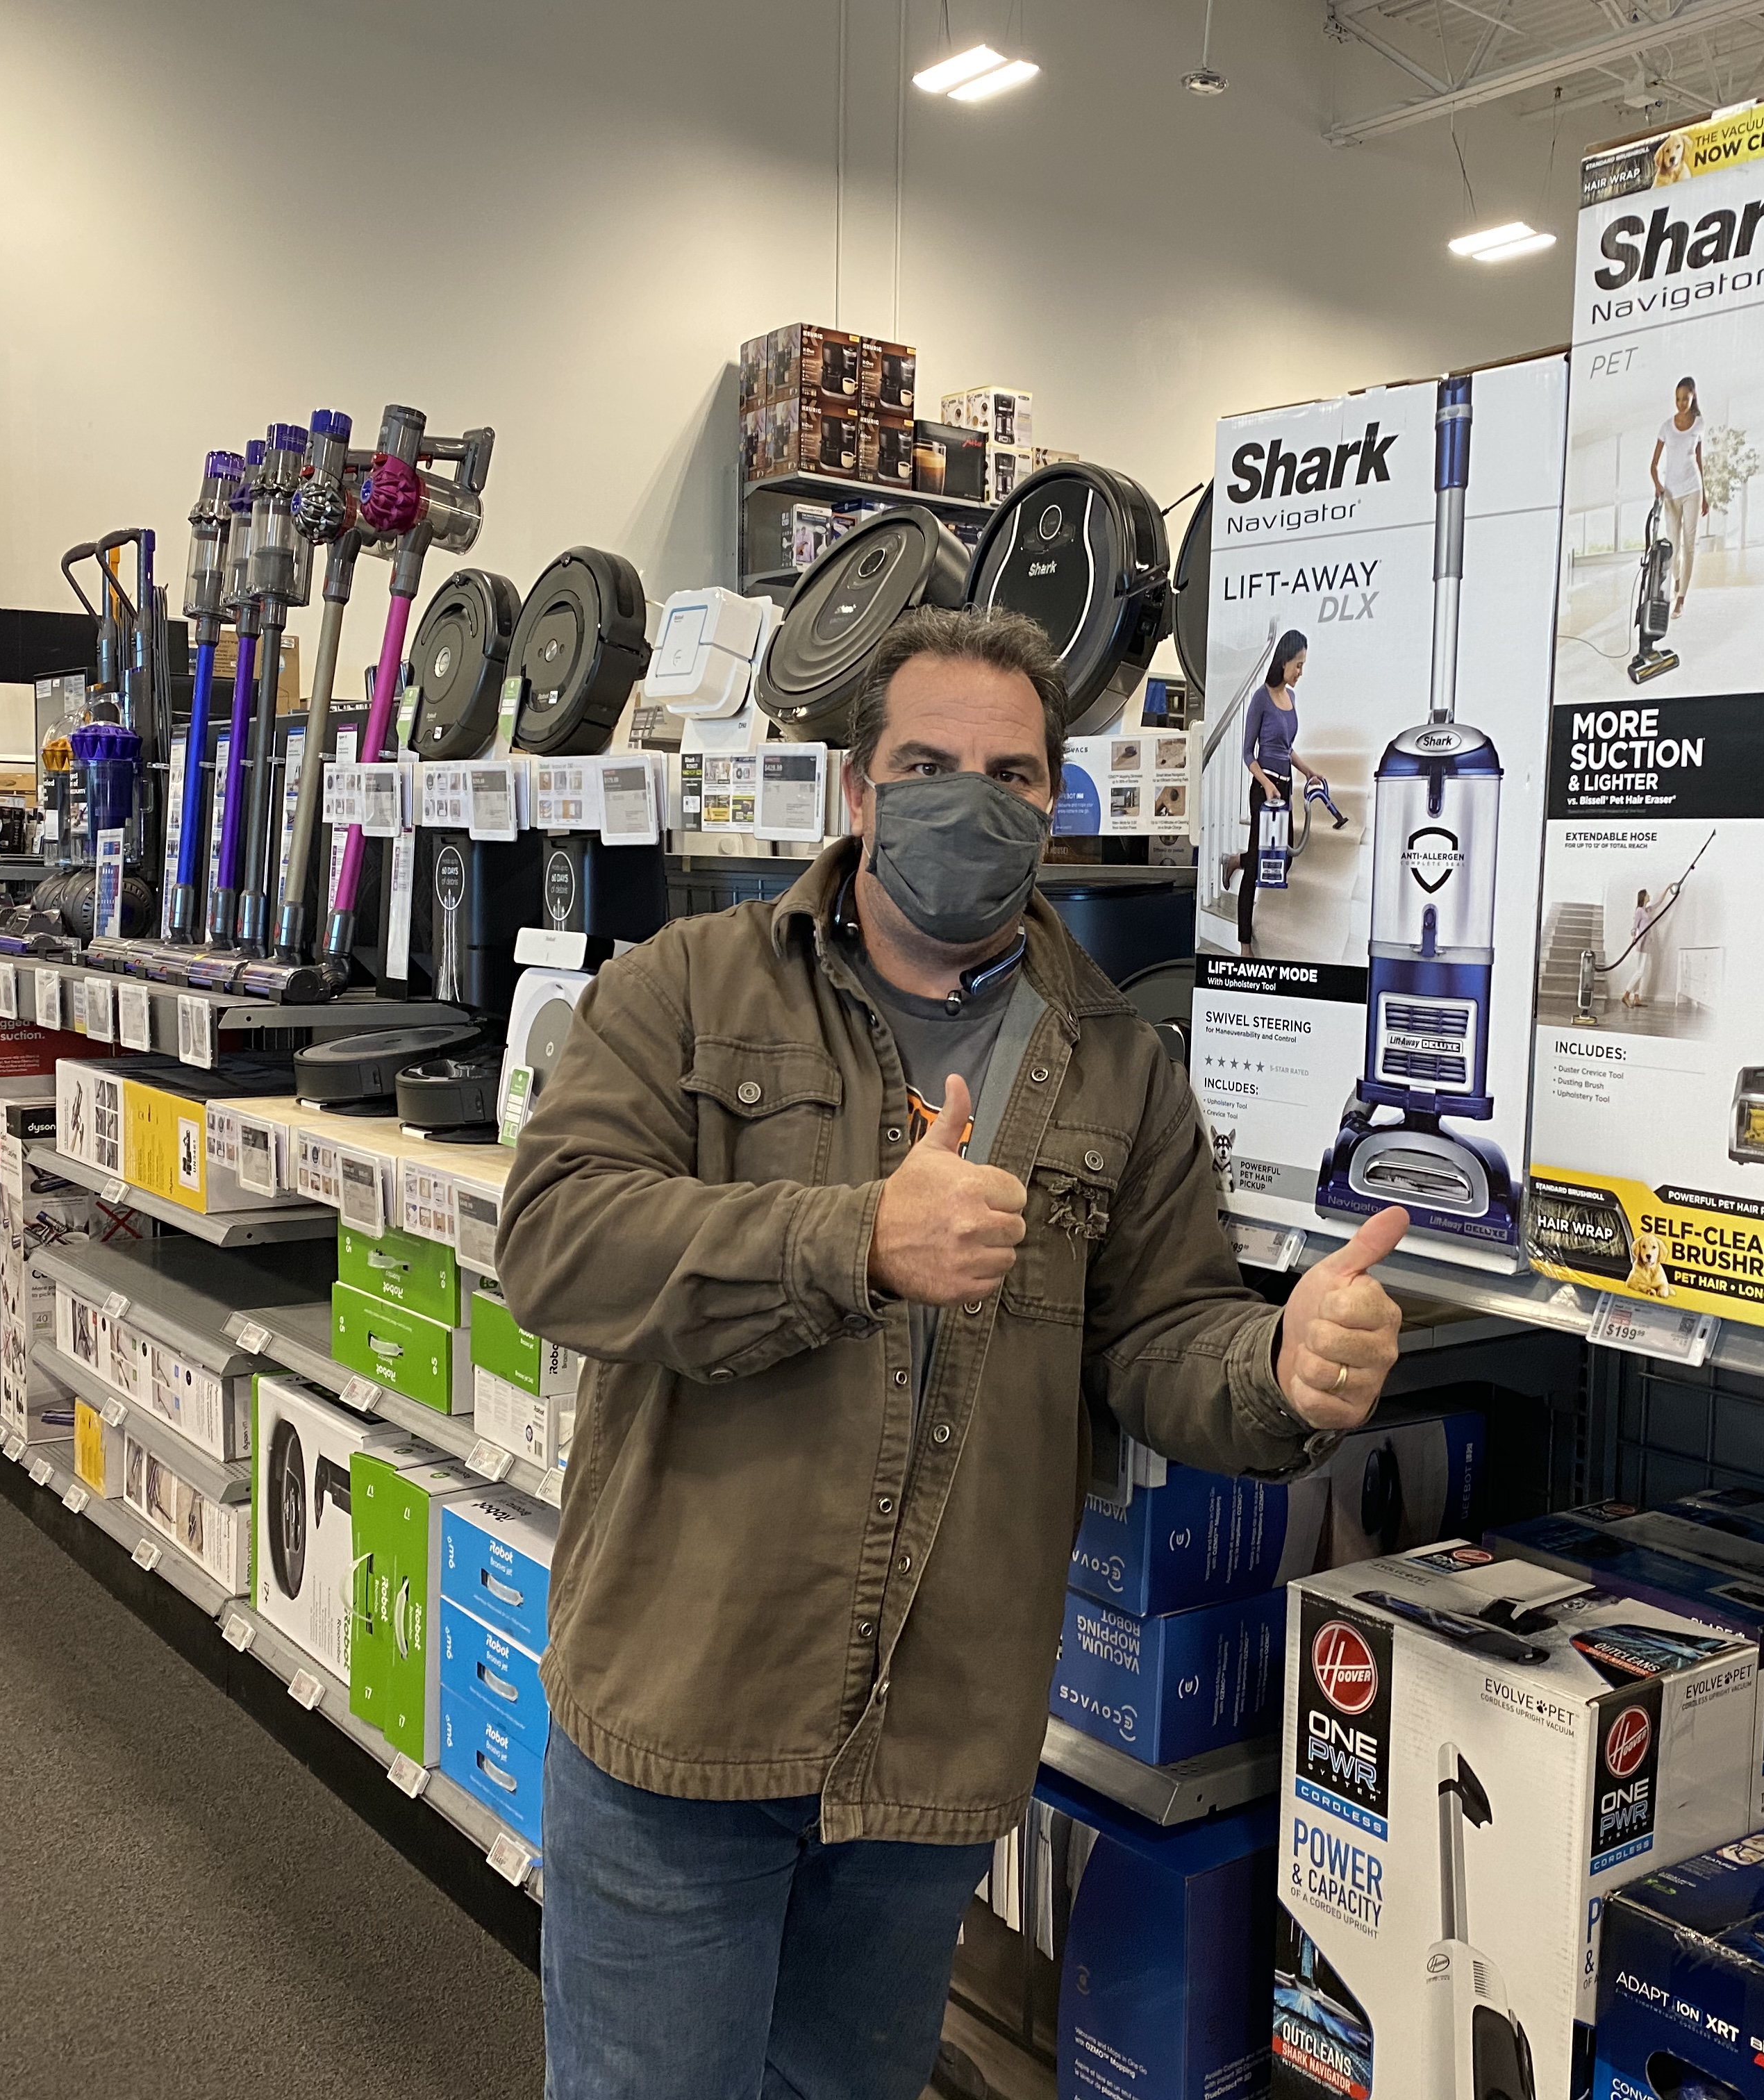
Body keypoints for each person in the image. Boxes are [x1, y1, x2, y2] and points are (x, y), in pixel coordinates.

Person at [498, 604, 1413, 2100]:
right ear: (859, 789)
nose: (968, 802)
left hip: (926, 1757)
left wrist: (1279, 1367)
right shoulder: (686, 987)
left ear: (1053, 803)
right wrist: (855, 1238)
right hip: (684, 1720)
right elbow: (557, 1239)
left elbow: (1159, 1337)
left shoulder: (1118, 1064)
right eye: (927, 766)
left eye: (1011, 774)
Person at [1225, 630, 1331, 953]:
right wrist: (1267, 784)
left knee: (1283, 859)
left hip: (1284, 787)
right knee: (1256, 868)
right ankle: (1244, 944)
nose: (1301, 672)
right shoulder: (1261, 699)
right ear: (1283, 661)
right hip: (1264, 789)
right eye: (1298, 665)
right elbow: (1248, 754)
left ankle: (1236, 860)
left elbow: (1287, 748)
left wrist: (1308, 770)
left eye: (1303, 665)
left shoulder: (1292, 698)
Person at [1649, 377, 1709, 619]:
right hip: (1671, 494)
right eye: (1678, 399)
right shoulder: (1666, 427)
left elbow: (1699, 461)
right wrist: (1658, 486)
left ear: (1693, 396)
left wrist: (1705, 495)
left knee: (1689, 544)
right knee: (1673, 544)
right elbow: (1653, 465)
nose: (1681, 403)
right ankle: (1676, 578)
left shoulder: (1699, 424)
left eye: (1686, 398)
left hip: (1693, 489)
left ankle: (1681, 598)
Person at [1621, 884, 1670, 1008]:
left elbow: (1660, 903)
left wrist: (1668, 889)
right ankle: (1626, 995)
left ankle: (1636, 998)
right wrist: (1633, 937)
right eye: (1647, 895)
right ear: (1643, 897)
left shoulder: (1647, 910)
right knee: (1640, 971)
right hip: (1641, 943)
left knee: (1640, 970)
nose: (1649, 896)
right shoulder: (1639, 911)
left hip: (1648, 943)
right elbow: (1634, 926)